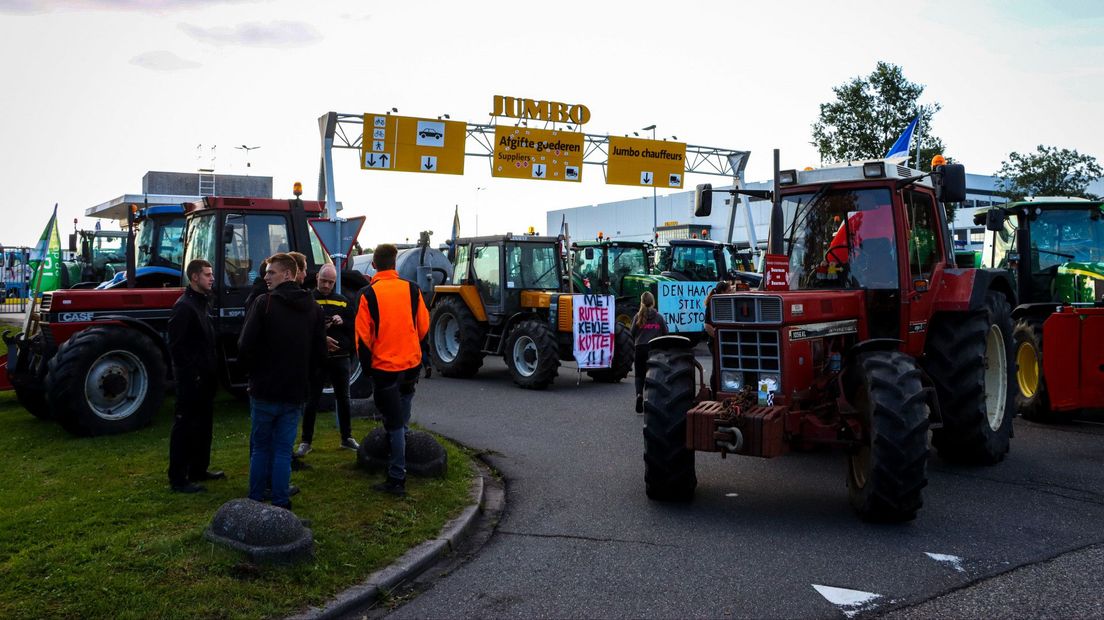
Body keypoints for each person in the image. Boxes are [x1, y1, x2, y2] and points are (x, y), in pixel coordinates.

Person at [238, 253, 326, 510]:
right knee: (282, 450)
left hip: (264, 390)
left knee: (261, 448)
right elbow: (320, 354)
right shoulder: (314, 308)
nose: (265, 277)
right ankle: (280, 502)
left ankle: (255, 502)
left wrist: (253, 374)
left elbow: (244, 345)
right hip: (294, 391)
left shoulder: (264, 303)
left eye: (271, 272)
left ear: (288, 274)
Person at [355, 244, 429, 497]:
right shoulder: (412, 290)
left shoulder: (368, 294)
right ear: (394, 264)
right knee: (402, 419)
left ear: (374, 265)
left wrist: (367, 370)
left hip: (384, 369)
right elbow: (423, 328)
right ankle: (400, 461)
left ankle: (397, 477)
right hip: (410, 366)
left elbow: (363, 340)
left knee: (394, 424)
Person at [167, 259, 222, 493]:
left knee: (203, 425)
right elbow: (177, 348)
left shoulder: (202, 303)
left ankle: (199, 469)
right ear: (194, 277)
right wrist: (192, 376)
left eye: (211, 274)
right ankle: (178, 478)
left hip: (205, 378)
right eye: (207, 275)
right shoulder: (184, 307)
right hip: (192, 381)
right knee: (185, 427)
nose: (212, 278)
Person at [296, 264, 359, 457]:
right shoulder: (307, 300)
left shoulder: (343, 301)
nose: (326, 285)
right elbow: (302, 328)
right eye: (324, 281)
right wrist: (321, 336)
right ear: (317, 279)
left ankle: (346, 437)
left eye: (331, 282)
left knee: (344, 398)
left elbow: (353, 327)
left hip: (340, 357)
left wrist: (343, 321)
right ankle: (306, 441)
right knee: (312, 399)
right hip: (317, 358)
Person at [630, 291, 668, 414]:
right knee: (652, 376)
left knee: (639, 375)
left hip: (639, 349)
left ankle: (639, 395)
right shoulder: (659, 317)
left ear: (641, 302)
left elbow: (632, 333)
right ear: (653, 302)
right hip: (654, 349)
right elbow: (666, 333)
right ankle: (649, 399)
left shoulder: (637, 316)